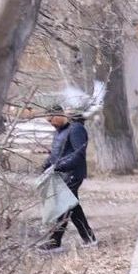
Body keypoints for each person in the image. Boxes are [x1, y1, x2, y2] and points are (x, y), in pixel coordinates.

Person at [36, 105, 96, 253]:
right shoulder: (59, 132)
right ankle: (89, 237)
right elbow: (56, 153)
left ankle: (55, 241)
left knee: (64, 205)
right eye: (48, 122)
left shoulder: (76, 129)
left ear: (59, 114)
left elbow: (78, 155)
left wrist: (58, 166)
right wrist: (46, 165)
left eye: (52, 120)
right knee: (72, 206)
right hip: (62, 174)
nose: (51, 123)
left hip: (73, 173)